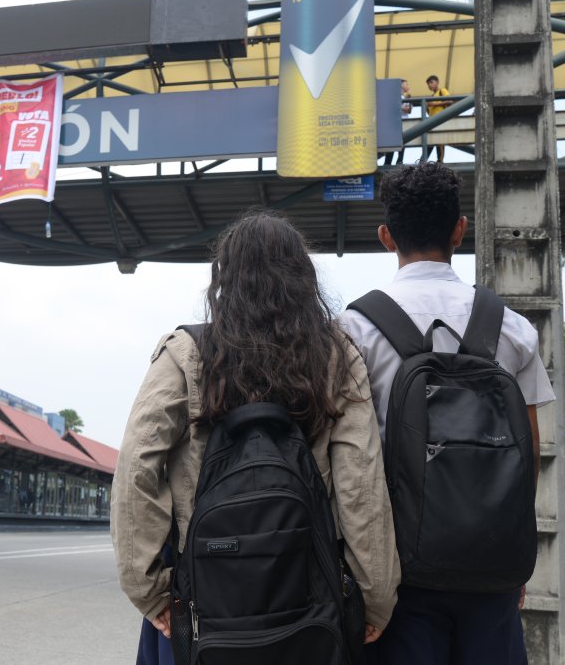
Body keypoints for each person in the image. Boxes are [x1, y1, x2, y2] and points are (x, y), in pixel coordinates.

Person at [112, 210, 401, 660]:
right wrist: (375, 595)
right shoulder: (334, 357)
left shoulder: (186, 353)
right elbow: (360, 483)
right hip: (311, 592)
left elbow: (136, 468)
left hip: (201, 593)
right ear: (303, 281)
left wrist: (149, 589)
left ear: (224, 280)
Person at [338, 162, 555, 665]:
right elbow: (531, 452)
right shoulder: (513, 328)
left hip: (396, 572)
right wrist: (513, 559)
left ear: (387, 237)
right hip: (491, 565)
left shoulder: (352, 328)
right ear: (460, 229)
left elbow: (346, 459)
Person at [382, 79, 413, 166]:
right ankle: (388, 162)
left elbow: (409, 110)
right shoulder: (393, 96)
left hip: (404, 122)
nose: (408, 86)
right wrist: (402, 107)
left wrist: (407, 102)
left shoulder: (406, 97)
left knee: (403, 142)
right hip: (394, 123)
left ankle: (399, 161)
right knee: (392, 143)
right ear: (401, 86)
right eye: (406, 84)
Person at [423, 75, 451, 164]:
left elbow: (450, 101)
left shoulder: (442, 91)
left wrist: (434, 104)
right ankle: (424, 160)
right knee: (431, 141)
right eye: (428, 84)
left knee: (439, 141)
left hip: (440, 120)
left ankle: (440, 161)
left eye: (431, 82)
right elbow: (428, 110)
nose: (430, 85)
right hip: (432, 121)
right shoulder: (431, 96)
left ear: (437, 82)